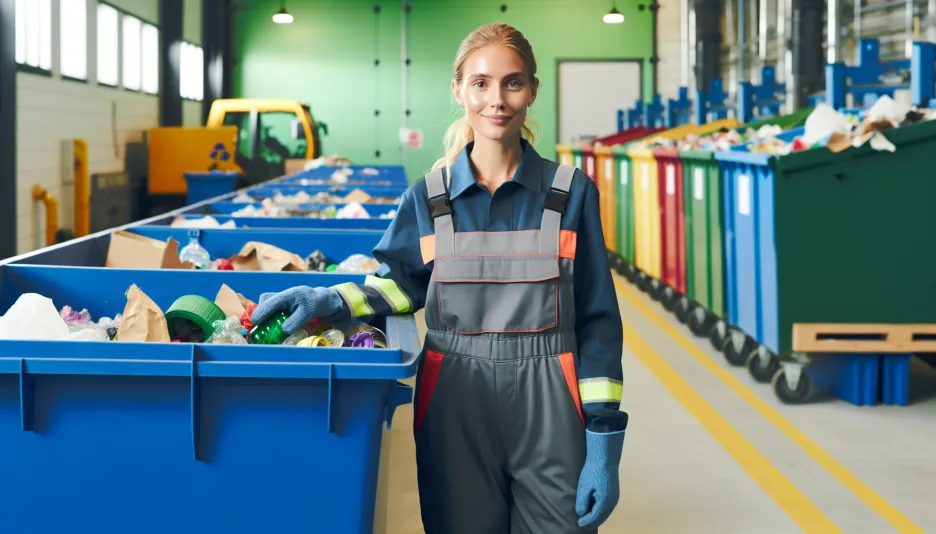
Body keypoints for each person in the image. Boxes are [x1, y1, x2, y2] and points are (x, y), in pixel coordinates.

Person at [251, 22, 628, 534]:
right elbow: (402, 286)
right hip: (455, 401)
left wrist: (604, 443)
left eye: (512, 82)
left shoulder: (571, 194)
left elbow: (598, 321)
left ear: (532, 90)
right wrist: (329, 299)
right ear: (459, 91)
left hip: (552, 406)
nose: (497, 99)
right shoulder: (429, 199)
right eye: (480, 83)